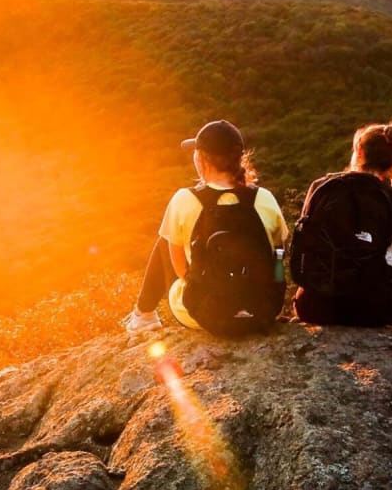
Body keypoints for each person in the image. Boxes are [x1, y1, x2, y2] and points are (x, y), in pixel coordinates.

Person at [123, 119, 290, 334]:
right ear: (239, 158)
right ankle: (144, 314)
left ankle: (144, 315)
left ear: (201, 159)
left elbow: (181, 270)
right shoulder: (264, 198)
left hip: (207, 313)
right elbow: (279, 253)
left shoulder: (184, 199)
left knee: (167, 240)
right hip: (263, 310)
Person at [292, 120, 392, 326]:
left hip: (315, 307)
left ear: (359, 151)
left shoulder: (322, 186)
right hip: (371, 312)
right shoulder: (391, 197)